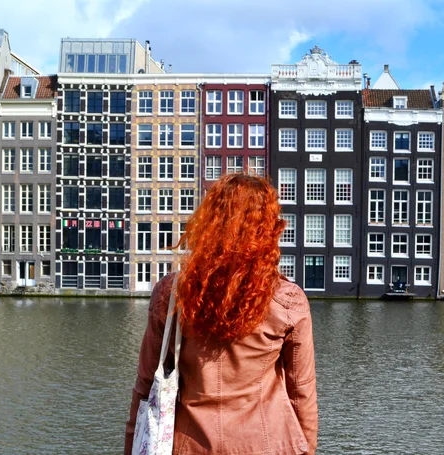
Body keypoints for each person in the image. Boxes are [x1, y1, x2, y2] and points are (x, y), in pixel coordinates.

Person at [124, 174, 318, 455]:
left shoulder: (173, 293)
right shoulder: (287, 300)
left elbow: (145, 385)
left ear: (209, 223)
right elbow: (301, 393)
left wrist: (132, 445)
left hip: (190, 445)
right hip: (268, 444)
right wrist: (308, 449)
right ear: (269, 230)